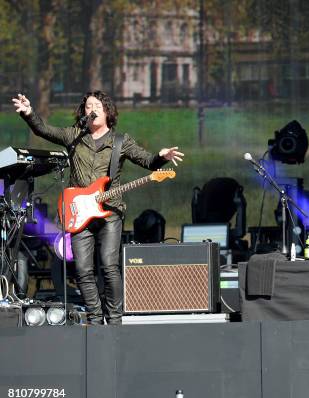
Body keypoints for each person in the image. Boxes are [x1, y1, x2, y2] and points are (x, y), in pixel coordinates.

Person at [12, 91, 184, 324]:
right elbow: (44, 129)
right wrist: (29, 113)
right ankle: (94, 316)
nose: (91, 110)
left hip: (109, 211)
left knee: (109, 266)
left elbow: (147, 161)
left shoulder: (121, 142)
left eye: (97, 106)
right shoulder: (74, 136)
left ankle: (114, 318)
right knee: (82, 269)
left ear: (107, 112)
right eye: (87, 106)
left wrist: (161, 157)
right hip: (79, 212)